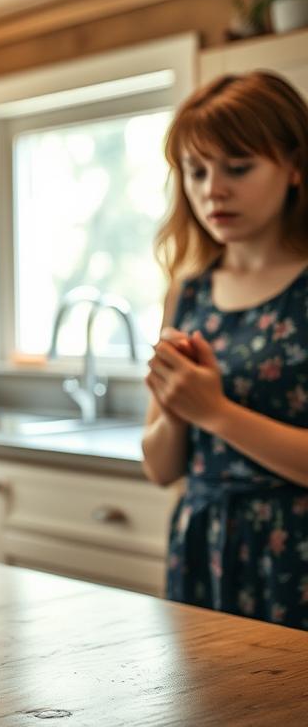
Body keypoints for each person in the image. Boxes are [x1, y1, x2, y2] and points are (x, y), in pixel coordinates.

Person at [142, 70, 308, 630]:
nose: (214, 188)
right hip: (203, 545)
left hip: (297, 556)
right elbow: (160, 468)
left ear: (294, 166)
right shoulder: (187, 291)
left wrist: (213, 410)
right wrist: (174, 406)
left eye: (238, 168)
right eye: (197, 170)